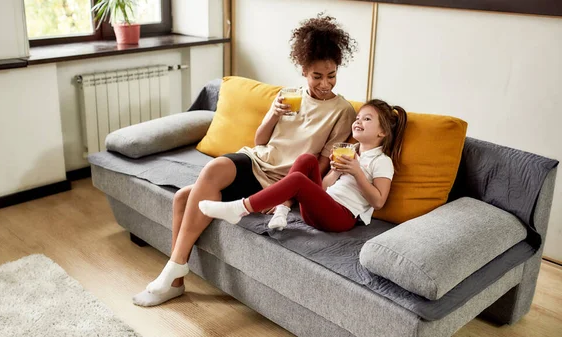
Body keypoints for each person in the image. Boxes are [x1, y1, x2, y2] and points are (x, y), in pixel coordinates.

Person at [132, 14, 359, 307]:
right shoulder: (287, 96)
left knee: (185, 198)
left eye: (332, 75)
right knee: (207, 175)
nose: (325, 83)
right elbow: (260, 141)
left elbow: (320, 165)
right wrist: (274, 113)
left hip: (280, 180)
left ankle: (172, 276)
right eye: (317, 76)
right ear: (303, 70)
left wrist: (286, 199)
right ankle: (174, 277)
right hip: (256, 161)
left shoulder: (343, 111)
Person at [199, 99, 408, 232]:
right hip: (321, 207)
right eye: (358, 117)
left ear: (382, 133)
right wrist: (335, 171)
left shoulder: (382, 161)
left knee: (299, 180)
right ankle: (282, 209)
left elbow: (379, 202)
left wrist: (357, 172)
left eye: (367, 119)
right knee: (306, 159)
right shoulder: (351, 151)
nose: (358, 121)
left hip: (340, 218)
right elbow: (325, 188)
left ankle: (240, 208)